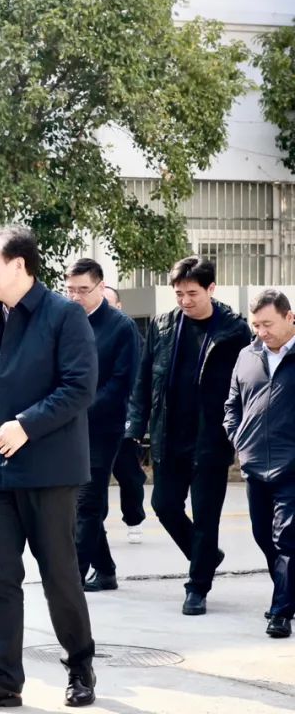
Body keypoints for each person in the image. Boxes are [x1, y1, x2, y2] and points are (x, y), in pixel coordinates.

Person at [0, 225, 97, 711]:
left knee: (60, 576)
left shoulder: (64, 315)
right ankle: (2, 680)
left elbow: (79, 386)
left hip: (50, 471)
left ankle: (79, 667)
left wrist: (26, 425)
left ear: (19, 265)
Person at [127, 257, 251, 615]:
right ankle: (206, 557)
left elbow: (244, 387)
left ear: (211, 289)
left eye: (192, 293)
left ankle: (197, 587)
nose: (184, 301)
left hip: (211, 439)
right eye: (179, 294)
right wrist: (135, 427)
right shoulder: (163, 325)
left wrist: (239, 433)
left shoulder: (234, 331)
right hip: (169, 435)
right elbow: (144, 379)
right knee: (163, 505)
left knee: (206, 516)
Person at [65, 260, 140, 594]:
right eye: (70, 290)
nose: (76, 297)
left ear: (100, 286)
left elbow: (122, 383)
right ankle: (106, 570)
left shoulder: (122, 327)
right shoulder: (64, 320)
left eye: (83, 290)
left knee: (86, 503)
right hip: (65, 427)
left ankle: (73, 577)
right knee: (74, 504)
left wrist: (78, 407)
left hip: (102, 428)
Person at [224, 289, 295, 639]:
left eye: (268, 324)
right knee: (263, 535)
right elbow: (232, 405)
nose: (261, 332)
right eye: (256, 325)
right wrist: (239, 439)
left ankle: (280, 612)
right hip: (254, 465)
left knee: (287, 539)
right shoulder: (247, 355)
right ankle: (287, 593)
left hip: (292, 467)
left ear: (289, 317)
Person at [102, 286, 148, 544]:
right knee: (93, 479)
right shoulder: (83, 331)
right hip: (95, 418)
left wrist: (137, 421)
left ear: (119, 306)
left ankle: (134, 519)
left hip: (124, 418)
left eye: (109, 303)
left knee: (129, 475)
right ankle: (94, 524)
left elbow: (140, 381)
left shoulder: (130, 334)